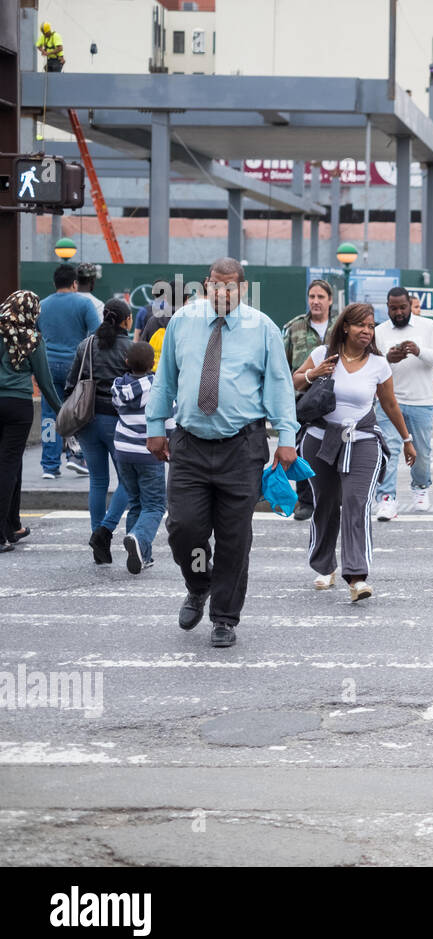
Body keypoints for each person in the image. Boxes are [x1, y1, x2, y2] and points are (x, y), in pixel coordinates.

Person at [145, 257, 299, 649]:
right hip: (189, 444)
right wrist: (155, 426)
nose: (223, 292)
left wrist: (286, 436)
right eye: (217, 284)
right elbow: (165, 377)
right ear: (206, 285)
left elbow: (280, 384)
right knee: (183, 528)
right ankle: (199, 583)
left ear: (243, 289)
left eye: (231, 286)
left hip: (242, 446)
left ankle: (225, 617)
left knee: (234, 537)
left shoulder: (261, 327)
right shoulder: (182, 321)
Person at [293, 303, 417, 601]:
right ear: (345, 326)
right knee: (325, 502)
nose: (367, 331)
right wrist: (314, 373)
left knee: (356, 503)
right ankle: (324, 566)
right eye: (361, 325)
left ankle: (357, 575)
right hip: (320, 440)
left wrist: (407, 439)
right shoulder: (324, 354)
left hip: (362, 440)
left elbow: (389, 404)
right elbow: (294, 380)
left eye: (372, 326)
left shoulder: (378, 363)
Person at [372, 286, 433, 520]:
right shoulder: (379, 331)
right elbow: (371, 363)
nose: (399, 312)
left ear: (409, 305)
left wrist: (418, 350)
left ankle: (421, 486)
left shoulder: (428, 327)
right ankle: (386, 499)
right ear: (387, 308)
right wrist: (387, 358)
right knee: (390, 450)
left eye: (402, 307)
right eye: (393, 308)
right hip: (388, 401)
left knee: (421, 453)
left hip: (421, 401)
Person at [70, 299, 133, 565]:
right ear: (124, 321)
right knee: (128, 482)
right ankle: (105, 531)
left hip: (86, 420)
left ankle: (97, 535)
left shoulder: (85, 345)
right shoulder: (130, 348)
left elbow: (70, 384)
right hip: (117, 422)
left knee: (97, 481)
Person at [0, 291, 63, 553]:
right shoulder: (33, 339)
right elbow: (45, 382)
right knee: (8, 465)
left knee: (12, 465)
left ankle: (12, 525)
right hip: (18, 405)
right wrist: (61, 410)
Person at [282, 279, 337, 521]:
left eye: (320, 297)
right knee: (301, 450)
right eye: (312, 296)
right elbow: (283, 368)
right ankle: (305, 501)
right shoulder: (294, 328)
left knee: (333, 450)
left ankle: (333, 497)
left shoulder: (341, 327)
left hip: (334, 397)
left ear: (330, 300)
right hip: (302, 398)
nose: (315, 301)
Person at [109, 342, 167, 574]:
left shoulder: (117, 387)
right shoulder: (157, 387)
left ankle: (144, 555)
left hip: (123, 450)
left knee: (136, 503)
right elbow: (168, 415)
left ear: (125, 363)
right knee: (154, 505)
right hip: (148, 452)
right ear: (153, 363)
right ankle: (138, 539)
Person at [37, 264, 98, 479]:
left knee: (49, 415)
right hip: (76, 366)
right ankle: (77, 456)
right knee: (78, 414)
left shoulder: (42, 305)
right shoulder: (85, 303)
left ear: (54, 284)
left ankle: (49, 466)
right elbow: (96, 335)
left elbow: (35, 337)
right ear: (75, 283)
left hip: (48, 367)